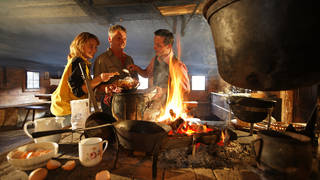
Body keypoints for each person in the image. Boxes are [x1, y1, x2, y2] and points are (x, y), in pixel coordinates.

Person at [50, 32, 118, 127]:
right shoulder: (77, 61)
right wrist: (100, 78)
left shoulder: (81, 62)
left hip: (68, 108)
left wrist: (104, 87)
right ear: (80, 45)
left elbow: (87, 87)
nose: (94, 50)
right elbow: (78, 91)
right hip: (67, 109)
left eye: (95, 47)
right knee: (71, 137)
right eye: (90, 46)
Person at [128, 29, 190, 107]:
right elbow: (147, 73)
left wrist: (163, 90)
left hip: (170, 108)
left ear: (169, 46)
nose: (154, 47)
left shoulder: (177, 65)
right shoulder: (155, 59)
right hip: (155, 106)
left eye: (158, 45)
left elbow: (185, 89)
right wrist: (136, 68)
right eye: (154, 44)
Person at [93, 24, 138, 115]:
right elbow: (96, 88)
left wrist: (133, 83)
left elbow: (136, 81)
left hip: (129, 103)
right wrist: (110, 87)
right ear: (110, 39)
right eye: (119, 38)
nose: (122, 41)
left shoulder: (129, 59)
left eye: (124, 39)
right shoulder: (101, 59)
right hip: (110, 105)